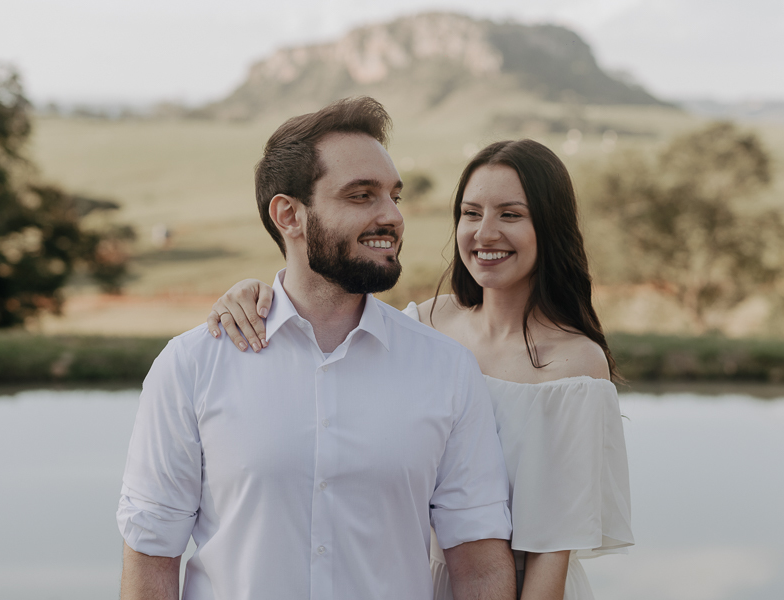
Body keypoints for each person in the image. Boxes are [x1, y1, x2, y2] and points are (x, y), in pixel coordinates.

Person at [118, 96, 518, 600]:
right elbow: (152, 558)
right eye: (361, 196)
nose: (391, 216)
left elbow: (479, 565)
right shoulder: (192, 365)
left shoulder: (448, 370)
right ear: (289, 215)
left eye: (394, 196)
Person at [208, 138, 634, 599]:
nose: (485, 233)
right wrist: (253, 294)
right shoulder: (425, 323)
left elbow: (555, 546)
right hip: (409, 577)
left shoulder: (574, 364)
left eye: (510, 214)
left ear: (549, 228)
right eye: (471, 214)